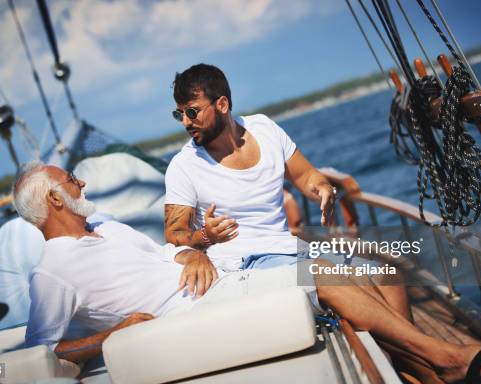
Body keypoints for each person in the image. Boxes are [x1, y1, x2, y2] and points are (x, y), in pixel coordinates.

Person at [13, 162, 481, 384]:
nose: (80, 182)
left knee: (380, 269)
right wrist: (113, 334)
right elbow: (43, 352)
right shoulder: (53, 273)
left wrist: (190, 253)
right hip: (189, 313)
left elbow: (161, 255)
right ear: (55, 199)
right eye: (70, 180)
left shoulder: (105, 227)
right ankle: (444, 358)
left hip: (212, 278)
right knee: (321, 273)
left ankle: (421, 369)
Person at [164, 63, 410, 320]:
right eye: (178, 114)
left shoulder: (264, 128)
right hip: (247, 264)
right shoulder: (184, 166)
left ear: (222, 105)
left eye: (192, 112)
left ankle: (406, 361)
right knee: (337, 278)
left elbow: (305, 175)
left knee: (387, 276)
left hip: (293, 249)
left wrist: (323, 188)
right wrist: (205, 235)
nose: (185, 122)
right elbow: (174, 233)